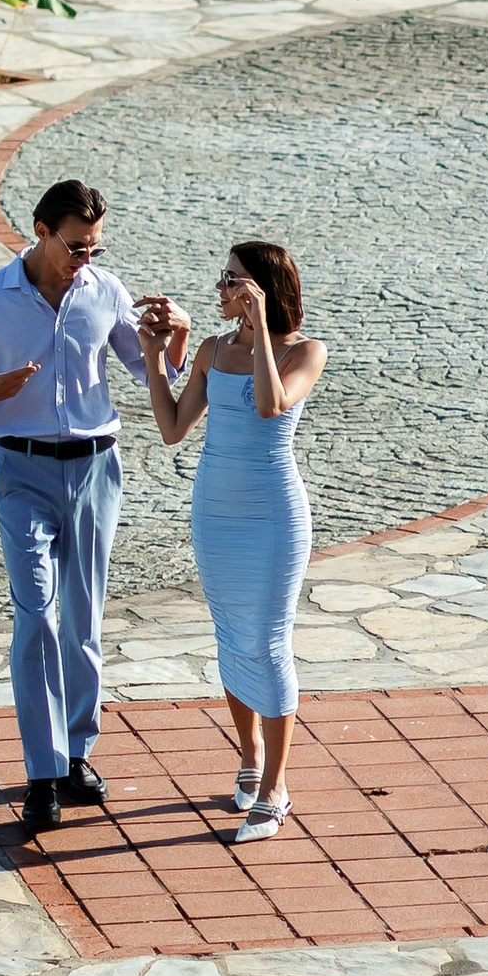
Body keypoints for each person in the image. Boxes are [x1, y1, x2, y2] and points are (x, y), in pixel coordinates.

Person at [0, 174, 187, 836]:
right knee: (36, 620)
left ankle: (77, 753)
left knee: (82, 624)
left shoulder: (104, 293)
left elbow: (149, 370)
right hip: (21, 472)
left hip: (96, 470)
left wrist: (175, 339)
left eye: (95, 249)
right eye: (77, 247)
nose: (87, 260)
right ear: (41, 231)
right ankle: (43, 771)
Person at [140, 236, 325, 843]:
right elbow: (172, 429)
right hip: (215, 508)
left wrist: (265, 327)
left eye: (233, 280)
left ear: (262, 290)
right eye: (223, 278)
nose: (221, 288)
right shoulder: (214, 350)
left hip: (272, 511)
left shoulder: (305, 352)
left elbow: (271, 406)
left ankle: (275, 787)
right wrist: (152, 355)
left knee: (268, 640)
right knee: (229, 634)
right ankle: (247, 758)